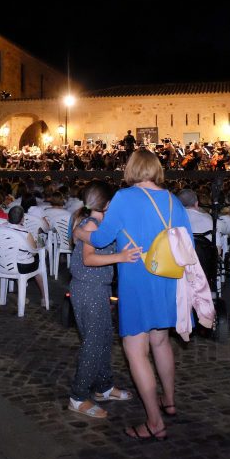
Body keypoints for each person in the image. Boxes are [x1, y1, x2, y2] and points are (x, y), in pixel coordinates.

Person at [76, 149, 192, 441]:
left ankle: (154, 422)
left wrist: (81, 234)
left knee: (135, 350)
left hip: (138, 279)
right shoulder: (173, 199)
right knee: (161, 341)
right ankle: (169, 401)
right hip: (167, 278)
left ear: (131, 169)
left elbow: (102, 238)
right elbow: (186, 241)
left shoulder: (125, 198)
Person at [67, 181, 141, 419]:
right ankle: (78, 398)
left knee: (104, 338)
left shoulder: (92, 223)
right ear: (108, 203)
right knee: (93, 343)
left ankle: (104, 387)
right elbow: (88, 259)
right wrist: (121, 256)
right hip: (88, 289)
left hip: (95, 288)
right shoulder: (91, 225)